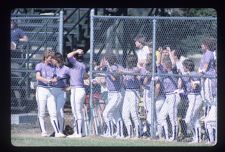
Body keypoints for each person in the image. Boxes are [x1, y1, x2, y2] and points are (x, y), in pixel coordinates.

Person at [35, 49, 66, 138]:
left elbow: (55, 77)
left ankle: (57, 132)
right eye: (49, 57)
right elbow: (38, 77)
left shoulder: (53, 67)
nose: (51, 59)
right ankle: (43, 132)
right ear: (45, 57)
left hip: (50, 91)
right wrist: (47, 80)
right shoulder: (39, 65)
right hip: (41, 90)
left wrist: (54, 80)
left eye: (52, 57)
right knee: (41, 112)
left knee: (53, 113)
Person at [97, 53, 124, 138]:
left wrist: (108, 69)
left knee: (106, 113)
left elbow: (114, 78)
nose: (104, 61)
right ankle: (120, 133)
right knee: (116, 114)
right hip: (111, 93)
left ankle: (111, 132)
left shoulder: (113, 67)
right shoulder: (109, 68)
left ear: (108, 60)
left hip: (116, 94)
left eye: (105, 60)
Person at [156, 56, 180, 141]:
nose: (162, 65)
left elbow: (173, 65)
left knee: (172, 117)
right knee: (161, 117)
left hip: (173, 95)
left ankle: (174, 138)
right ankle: (165, 136)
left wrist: (170, 55)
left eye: (164, 64)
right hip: (167, 97)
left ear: (167, 65)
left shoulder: (172, 72)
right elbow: (158, 65)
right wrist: (161, 53)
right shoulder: (162, 73)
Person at [180, 59, 203, 143]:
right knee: (195, 119)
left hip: (195, 97)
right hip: (191, 97)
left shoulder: (194, 74)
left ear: (187, 67)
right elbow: (180, 86)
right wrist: (181, 76)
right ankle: (197, 138)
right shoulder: (185, 74)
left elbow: (194, 87)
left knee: (188, 119)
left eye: (184, 66)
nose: (183, 67)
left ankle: (197, 137)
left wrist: (190, 77)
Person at [67, 49, 88, 138]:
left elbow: (69, 55)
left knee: (76, 112)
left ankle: (78, 133)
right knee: (78, 112)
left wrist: (76, 51)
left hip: (76, 90)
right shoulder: (83, 65)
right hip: (80, 89)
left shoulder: (76, 64)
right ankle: (81, 132)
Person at [122, 54, 142, 138]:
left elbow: (135, 72)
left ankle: (138, 134)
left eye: (130, 61)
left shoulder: (137, 69)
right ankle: (130, 134)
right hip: (127, 92)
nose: (129, 62)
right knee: (125, 114)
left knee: (134, 113)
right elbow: (123, 80)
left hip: (134, 92)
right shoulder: (126, 69)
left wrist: (123, 72)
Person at [51, 52, 70, 134]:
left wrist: (69, 87)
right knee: (55, 111)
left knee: (59, 111)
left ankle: (60, 131)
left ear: (57, 59)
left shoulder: (66, 69)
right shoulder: (53, 68)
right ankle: (57, 130)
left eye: (53, 59)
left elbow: (73, 78)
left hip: (62, 91)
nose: (52, 60)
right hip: (53, 91)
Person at [198, 37, 216, 117]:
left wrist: (200, 73)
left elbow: (205, 68)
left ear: (206, 45)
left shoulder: (209, 53)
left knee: (209, 97)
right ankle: (207, 115)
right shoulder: (204, 54)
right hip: (205, 78)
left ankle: (209, 116)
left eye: (203, 44)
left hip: (209, 78)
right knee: (205, 97)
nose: (201, 45)